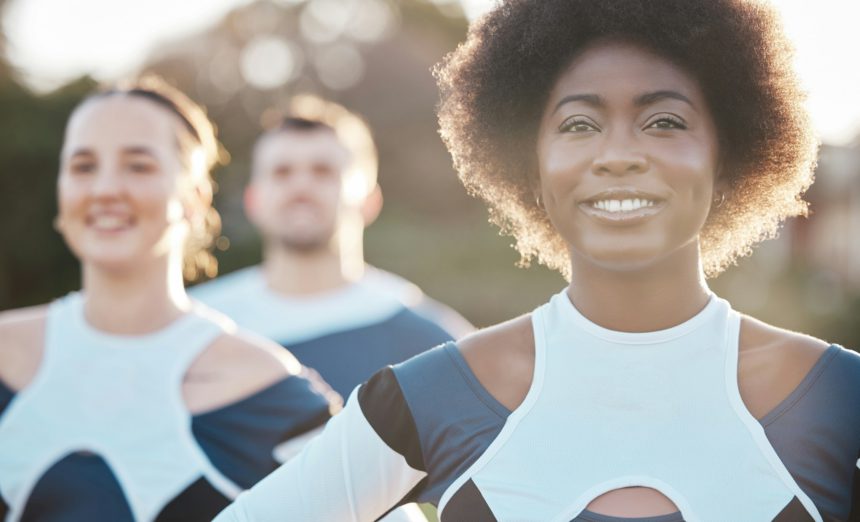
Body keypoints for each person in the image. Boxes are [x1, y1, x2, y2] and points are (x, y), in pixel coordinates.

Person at [214, 0, 860, 520]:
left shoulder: (841, 397)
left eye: (664, 121)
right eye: (578, 125)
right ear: (531, 170)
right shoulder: (430, 397)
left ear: (731, 157)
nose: (617, 154)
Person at [0, 77, 338, 521]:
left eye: (138, 166)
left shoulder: (265, 387)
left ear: (194, 198)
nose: (104, 190)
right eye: (83, 166)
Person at [190, 96, 472, 400]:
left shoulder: (431, 341)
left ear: (370, 200)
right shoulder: (197, 326)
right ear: (253, 201)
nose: (301, 187)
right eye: (282, 172)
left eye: (323, 171)